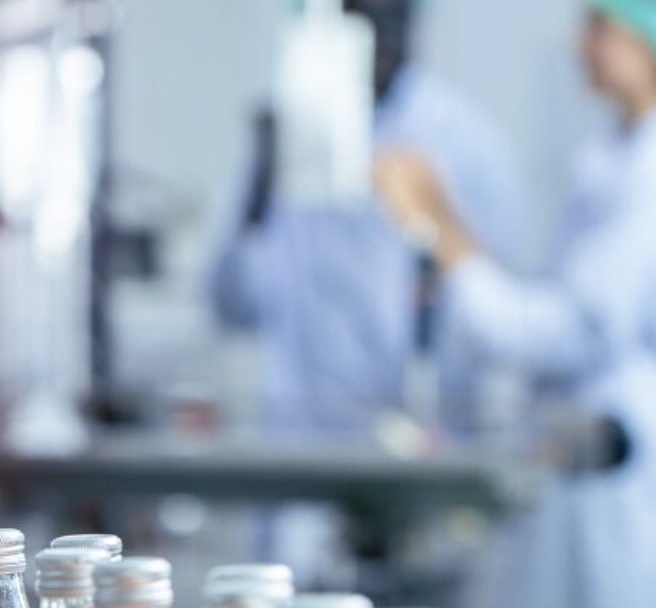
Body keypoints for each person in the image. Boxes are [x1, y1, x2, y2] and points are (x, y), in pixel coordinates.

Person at [376, 0, 656, 608]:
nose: (580, 44)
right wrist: (443, 221)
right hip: (582, 486)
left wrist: (436, 223)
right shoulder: (611, 160)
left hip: (618, 484)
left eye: (600, 26)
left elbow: (567, 334)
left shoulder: (646, 173)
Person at [210, 0, 522, 439]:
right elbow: (233, 306)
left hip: (421, 446)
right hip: (297, 451)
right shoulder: (293, 129)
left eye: (390, 14)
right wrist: (257, 201)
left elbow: (500, 326)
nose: (378, 33)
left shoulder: (461, 141)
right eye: (358, 14)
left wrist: (436, 231)